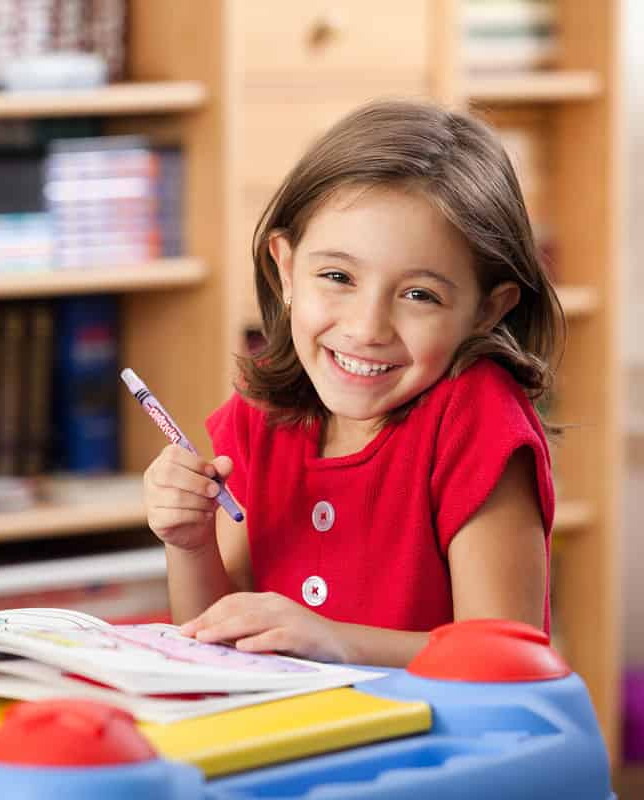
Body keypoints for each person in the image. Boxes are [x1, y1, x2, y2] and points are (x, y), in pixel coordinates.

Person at [142, 100, 563, 667]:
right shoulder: (258, 415)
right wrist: (189, 545)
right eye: (338, 277)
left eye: (420, 295)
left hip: (441, 750)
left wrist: (336, 640)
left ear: (488, 311)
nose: (367, 329)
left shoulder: (477, 418)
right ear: (286, 269)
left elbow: (505, 655)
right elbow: (217, 638)